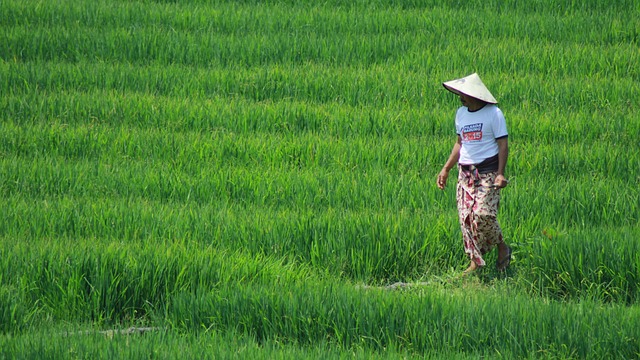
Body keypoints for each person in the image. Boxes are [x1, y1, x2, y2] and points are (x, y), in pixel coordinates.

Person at [436, 73, 512, 274]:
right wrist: (446, 168)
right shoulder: (461, 113)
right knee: (466, 219)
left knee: (483, 214)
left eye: (464, 93)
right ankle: (475, 261)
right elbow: (460, 144)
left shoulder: (494, 113)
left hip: (488, 172)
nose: (461, 96)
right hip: (465, 174)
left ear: (476, 95)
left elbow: (503, 145)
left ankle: (502, 246)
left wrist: (500, 173)